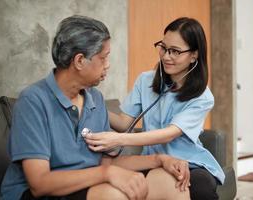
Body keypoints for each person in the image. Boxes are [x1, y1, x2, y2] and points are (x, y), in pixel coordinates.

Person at [0, 15, 191, 200]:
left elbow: (107, 163)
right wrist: (107, 173)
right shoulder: (33, 101)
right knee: (115, 195)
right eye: (103, 58)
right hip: (37, 193)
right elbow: (40, 183)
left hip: (86, 186)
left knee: (170, 183)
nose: (107, 66)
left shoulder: (95, 99)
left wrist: (160, 159)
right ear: (80, 61)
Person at [84, 17, 225, 200]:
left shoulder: (203, 97)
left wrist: (118, 139)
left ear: (194, 55)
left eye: (175, 51)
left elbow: (169, 134)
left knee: (199, 187)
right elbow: (124, 123)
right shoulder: (145, 81)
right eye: (163, 48)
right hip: (151, 161)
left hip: (189, 162)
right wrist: (91, 103)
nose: (166, 56)